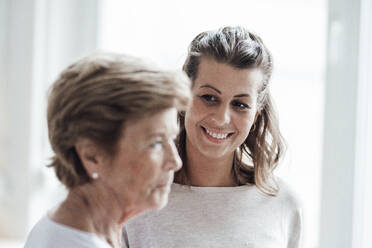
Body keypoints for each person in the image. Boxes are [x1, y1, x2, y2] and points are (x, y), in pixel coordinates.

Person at [122, 26, 302, 248]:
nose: (221, 118)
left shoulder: (283, 203)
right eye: (209, 97)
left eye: (240, 104)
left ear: (254, 116)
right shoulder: (134, 197)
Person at [24, 52, 191, 248]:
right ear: (92, 155)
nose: (175, 161)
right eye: (155, 143)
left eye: (171, 138)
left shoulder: (72, 227)